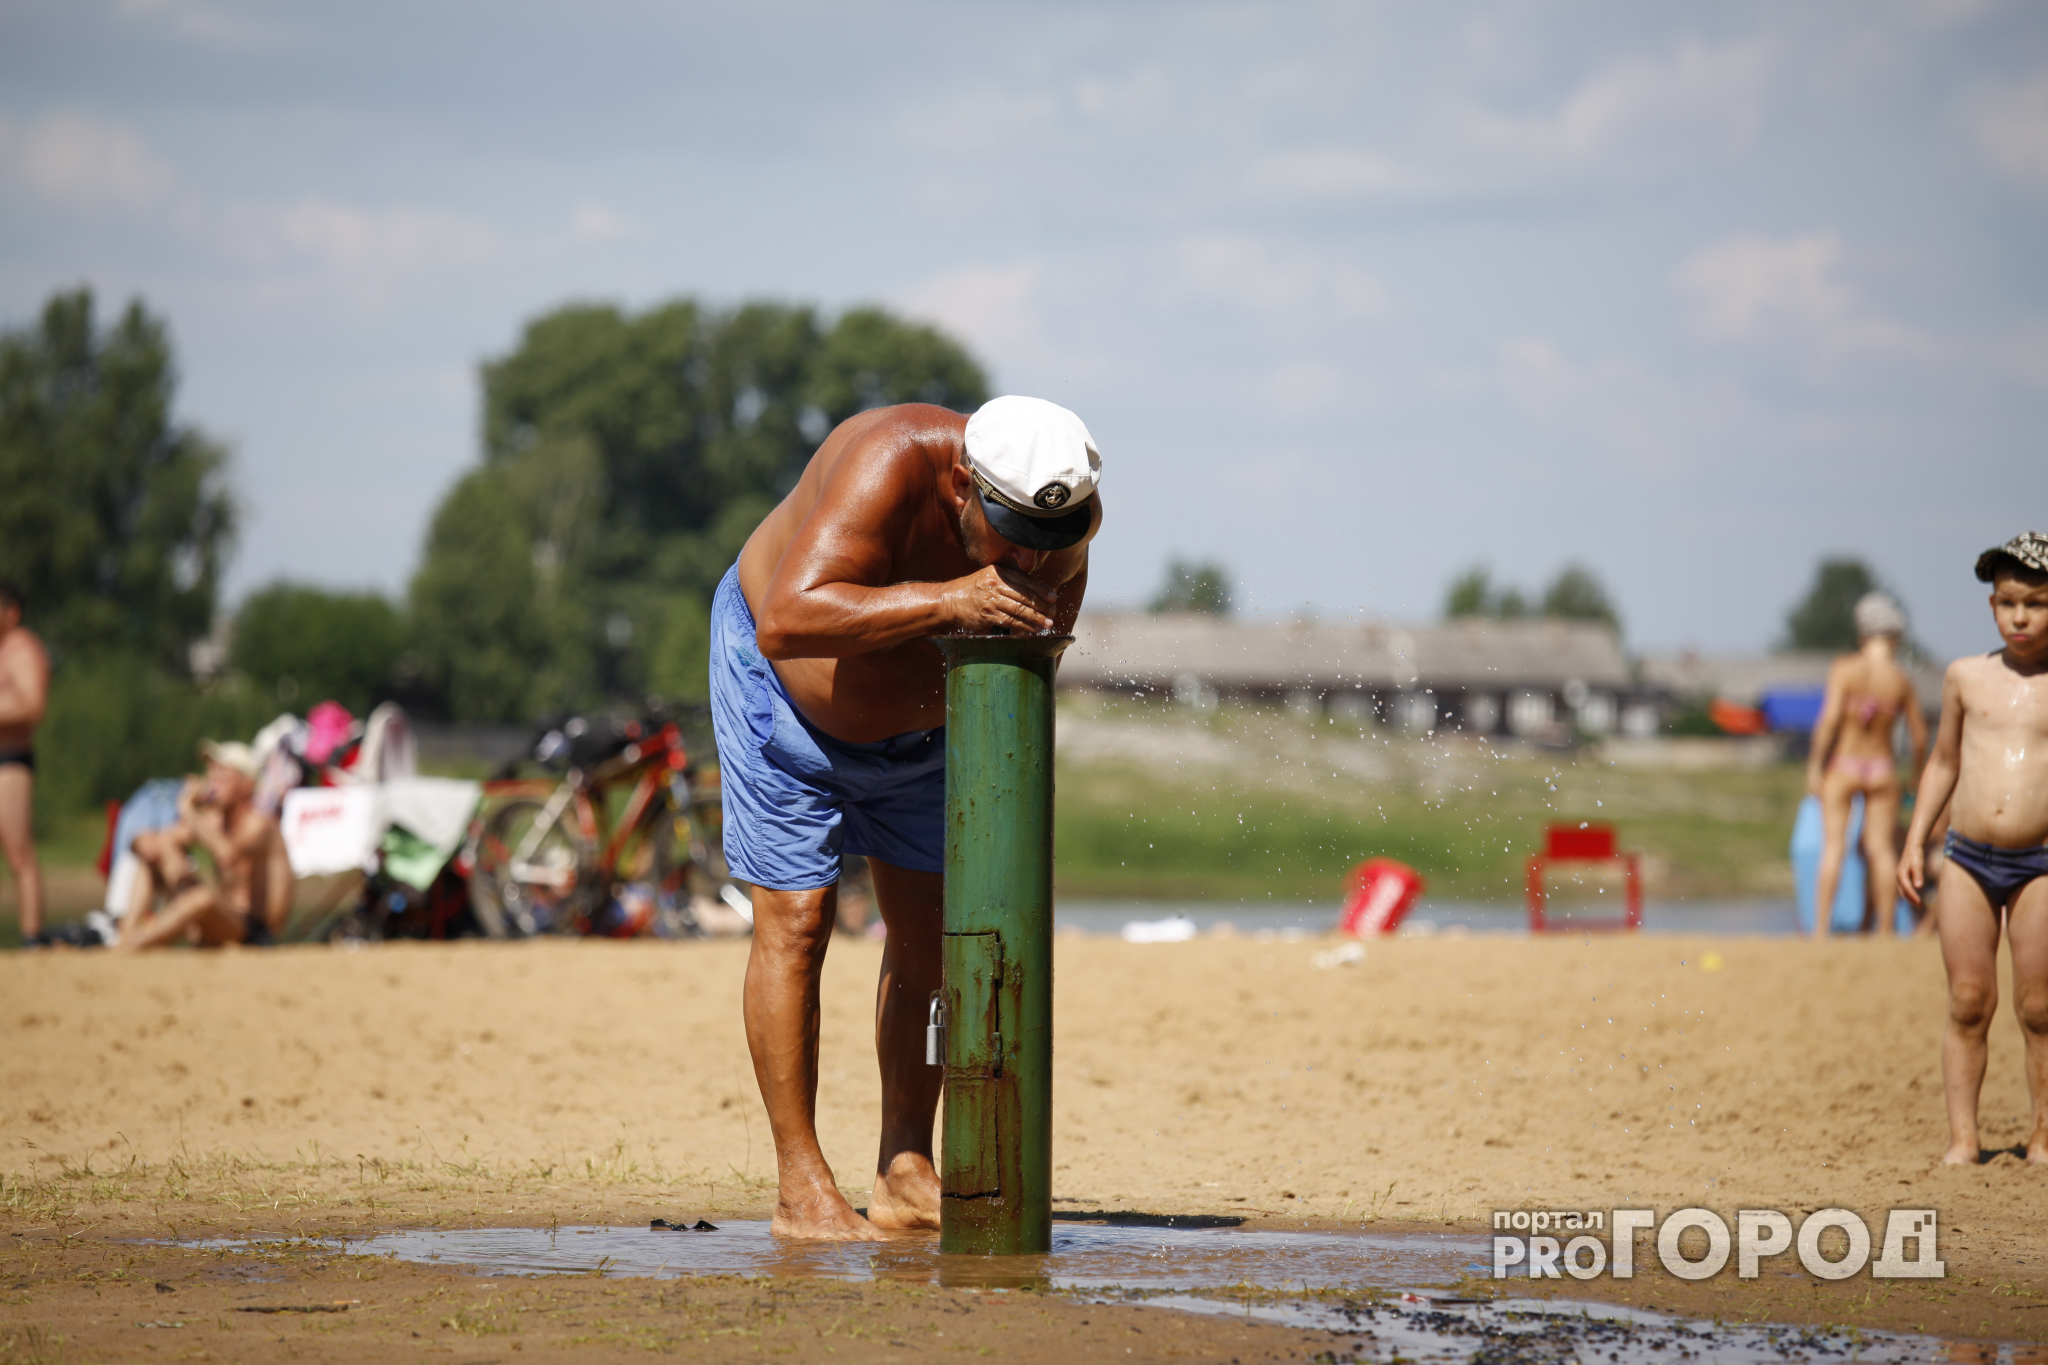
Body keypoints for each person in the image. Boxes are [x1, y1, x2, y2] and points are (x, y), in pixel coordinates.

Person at [713, 396, 1101, 1240]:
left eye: (1055, 543)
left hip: (926, 736)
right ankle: (798, 1182)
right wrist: (952, 600)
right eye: (1010, 536)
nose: (1031, 560)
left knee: (931, 933)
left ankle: (903, 1166)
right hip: (780, 699)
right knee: (799, 920)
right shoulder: (888, 461)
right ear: (964, 483)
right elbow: (790, 618)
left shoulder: (1058, 528)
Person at [1899, 531, 2048, 1165]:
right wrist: (1915, 838)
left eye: (2037, 603)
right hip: (1966, 856)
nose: (2020, 616)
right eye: (2009, 601)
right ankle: (1964, 1139)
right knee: (1968, 1001)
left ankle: (2043, 1136)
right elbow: (1943, 761)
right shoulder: (1965, 677)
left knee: (2039, 1006)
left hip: (2040, 862)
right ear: (1991, 605)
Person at [1806, 592, 1926, 937]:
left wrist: (1815, 765)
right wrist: (1915, 775)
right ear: (1896, 638)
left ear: (1862, 634)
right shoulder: (1901, 679)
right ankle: (1886, 928)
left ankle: (1821, 929)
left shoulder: (1845, 668)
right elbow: (1919, 735)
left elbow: (1828, 720)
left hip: (1845, 763)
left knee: (1833, 846)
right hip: (1882, 767)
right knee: (1881, 849)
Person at [117, 741, 293, 950]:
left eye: (222, 775)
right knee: (156, 855)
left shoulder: (261, 824)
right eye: (211, 773)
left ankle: (130, 946)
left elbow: (228, 855)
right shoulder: (214, 820)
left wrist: (188, 809)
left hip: (254, 931)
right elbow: (164, 841)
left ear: (246, 784)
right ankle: (125, 933)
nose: (212, 780)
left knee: (202, 898)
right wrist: (141, 840)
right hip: (217, 920)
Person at [0, 580, 51, 947]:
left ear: (11, 611)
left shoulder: (23, 649)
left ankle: (32, 936)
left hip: (10, 759)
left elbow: (32, 706)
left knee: (17, 848)